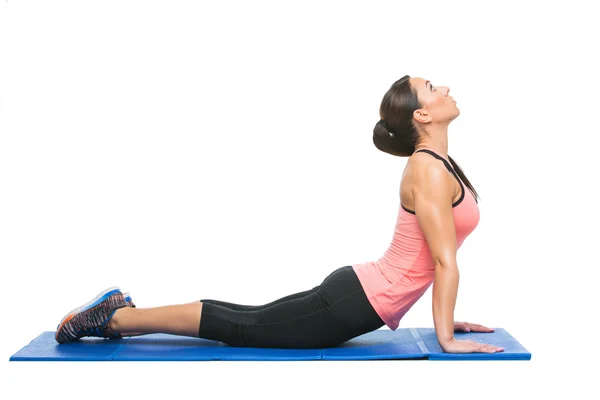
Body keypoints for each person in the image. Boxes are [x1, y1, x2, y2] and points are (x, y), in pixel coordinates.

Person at [55, 75, 505, 354]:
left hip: (359, 293)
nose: (445, 87)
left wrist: (449, 318)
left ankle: (119, 314)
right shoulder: (427, 169)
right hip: (355, 301)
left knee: (248, 318)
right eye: (432, 87)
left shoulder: (437, 165)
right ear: (423, 114)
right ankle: (116, 319)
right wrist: (445, 336)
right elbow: (443, 261)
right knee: (242, 326)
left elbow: (432, 258)